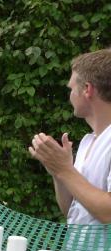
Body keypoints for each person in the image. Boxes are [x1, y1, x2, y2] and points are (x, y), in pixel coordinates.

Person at [30, 49, 111, 224]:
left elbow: (108, 213)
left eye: (71, 89)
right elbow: (72, 212)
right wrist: (58, 172)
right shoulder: (88, 141)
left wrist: (64, 170)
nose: (70, 96)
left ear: (87, 89)